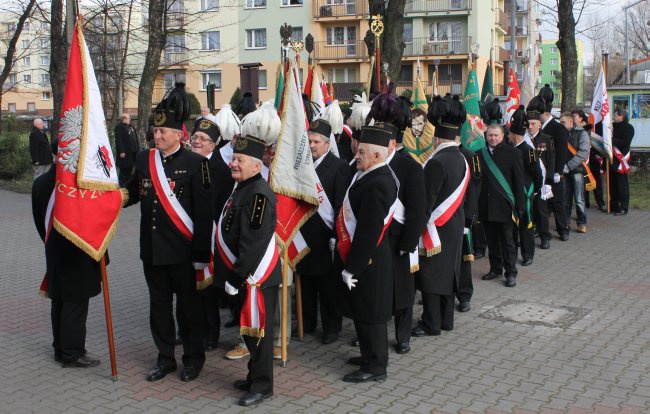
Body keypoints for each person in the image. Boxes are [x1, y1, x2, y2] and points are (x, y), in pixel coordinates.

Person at [124, 82, 214, 383]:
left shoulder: (196, 164)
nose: (157, 136)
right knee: (159, 308)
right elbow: (134, 192)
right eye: (155, 131)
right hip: (152, 249)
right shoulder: (143, 160)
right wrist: (108, 200)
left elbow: (203, 214)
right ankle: (165, 358)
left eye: (163, 132)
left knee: (188, 310)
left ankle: (192, 358)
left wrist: (202, 254)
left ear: (179, 134)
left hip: (184, 251)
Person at [214, 134, 281, 407]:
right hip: (245, 277)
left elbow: (253, 242)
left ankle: (263, 386)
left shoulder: (259, 195)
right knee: (250, 333)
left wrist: (236, 276)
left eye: (240, 160)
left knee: (259, 336)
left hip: (255, 279)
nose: (234, 164)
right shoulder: (243, 187)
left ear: (256, 165)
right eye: (233, 158)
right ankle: (254, 377)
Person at [336, 122, 398, 383]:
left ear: (376, 155)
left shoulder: (378, 183)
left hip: (369, 260)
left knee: (371, 313)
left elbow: (368, 232)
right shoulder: (371, 175)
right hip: (366, 258)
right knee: (362, 310)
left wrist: (352, 267)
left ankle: (375, 367)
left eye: (361, 152)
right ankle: (367, 355)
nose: (356, 155)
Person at [31, 148, 102, 368]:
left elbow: (38, 219)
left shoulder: (41, 182)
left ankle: (60, 348)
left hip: (53, 250)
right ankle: (73, 353)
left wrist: (48, 241)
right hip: (79, 253)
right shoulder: (78, 184)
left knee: (59, 301)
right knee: (75, 304)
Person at [412, 96, 468, 336]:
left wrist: (415, 227)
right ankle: (446, 320)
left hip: (436, 224)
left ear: (436, 139)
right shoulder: (462, 158)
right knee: (448, 273)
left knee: (431, 274)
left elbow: (428, 200)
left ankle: (431, 323)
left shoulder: (437, 162)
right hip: (454, 223)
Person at [297, 119, 350, 345]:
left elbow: (340, 206)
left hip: (327, 235)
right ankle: (306, 322)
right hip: (305, 234)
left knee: (328, 286)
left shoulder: (339, 167)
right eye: (309, 141)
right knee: (306, 282)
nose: (312, 145)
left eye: (316, 141)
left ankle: (331, 327)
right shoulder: (301, 165)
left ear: (327, 143)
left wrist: (336, 236)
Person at [189, 115, 222, 351]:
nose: (197, 141)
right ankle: (188, 329)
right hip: (186, 235)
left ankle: (211, 334)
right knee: (186, 288)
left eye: (203, 139)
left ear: (214, 144)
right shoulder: (185, 163)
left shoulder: (221, 169)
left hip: (211, 238)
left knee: (208, 291)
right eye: (195, 137)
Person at [478, 124, 525, 288]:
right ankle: (495, 268)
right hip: (487, 206)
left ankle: (511, 272)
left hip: (505, 206)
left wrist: (520, 207)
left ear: (503, 135)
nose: (492, 138)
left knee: (508, 241)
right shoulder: (479, 154)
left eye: (496, 135)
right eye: (490, 135)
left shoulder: (513, 153)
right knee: (491, 241)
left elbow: (519, 182)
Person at [508, 107, 542, 266]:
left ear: (514, 135)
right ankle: (512, 253)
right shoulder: (508, 150)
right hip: (511, 193)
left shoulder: (528, 151)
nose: (507, 136)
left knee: (526, 224)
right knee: (512, 226)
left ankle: (528, 254)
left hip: (526, 192)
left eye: (509, 134)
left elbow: (537, 173)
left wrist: (534, 189)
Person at [538, 85, 571, 241]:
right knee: (542, 203)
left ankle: (563, 229)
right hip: (540, 171)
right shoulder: (537, 129)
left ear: (544, 112)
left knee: (557, 202)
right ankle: (542, 228)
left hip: (554, 172)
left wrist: (558, 171)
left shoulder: (558, 128)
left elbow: (562, 152)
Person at [456, 136, 481, 312]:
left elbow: (475, 188)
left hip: (463, 215)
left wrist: (469, 217)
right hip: (444, 217)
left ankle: (464, 295)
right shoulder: (435, 155)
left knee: (464, 258)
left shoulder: (470, 156)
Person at [525, 103, 556, 249]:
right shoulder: (522, 139)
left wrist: (549, 181)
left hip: (542, 181)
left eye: (533, 124)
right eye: (528, 123)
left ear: (539, 125)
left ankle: (545, 237)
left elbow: (550, 161)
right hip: (527, 181)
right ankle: (526, 237)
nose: (530, 126)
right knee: (527, 210)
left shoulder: (546, 138)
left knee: (542, 211)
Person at [559, 112, 590, 233]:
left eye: (563, 122)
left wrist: (569, 166)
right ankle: (566, 222)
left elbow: (583, 153)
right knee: (565, 198)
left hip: (577, 170)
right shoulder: (561, 134)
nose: (561, 125)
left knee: (579, 198)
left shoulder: (582, 133)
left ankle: (581, 222)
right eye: (560, 122)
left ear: (571, 122)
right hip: (564, 171)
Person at [572, 110, 604, 211]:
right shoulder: (574, 129)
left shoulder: (590, 128)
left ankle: (600, 203)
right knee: (583, 183)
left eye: (575, 117)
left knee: (596, 182)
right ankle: (585, 204)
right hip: (581, 160)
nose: (573, 119)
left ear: (581, 118)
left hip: (592, 158)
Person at [611, 108, 634, 216]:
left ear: (622, 116)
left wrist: (611, 139)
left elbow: (624, 142)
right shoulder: (612, 126)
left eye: (615, 115)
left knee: (622, 185)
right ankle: (614, 206)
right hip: (611, 158)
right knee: (613, 185)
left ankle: (623, 207)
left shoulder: (628, 128)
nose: (613, 117)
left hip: (621, 159)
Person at [114, 113, 139, 186]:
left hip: (133, 152)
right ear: (124, 119)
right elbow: (119, 140)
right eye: (128, 118)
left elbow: (135, 138)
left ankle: (129, 185)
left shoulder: (131, 127)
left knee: (131, 169)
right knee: (124, 171)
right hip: (125, 153)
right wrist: (121, 151)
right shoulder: (119, 127)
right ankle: (122, 185)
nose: (130, 119)